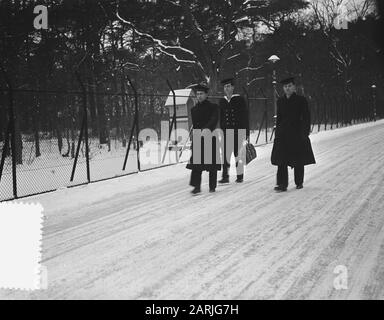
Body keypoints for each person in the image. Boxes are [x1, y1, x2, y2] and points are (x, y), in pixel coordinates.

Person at [271, 76, 316, 192]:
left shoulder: (301, 100)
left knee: (298, 159)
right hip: (283, 135)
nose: (287, 88)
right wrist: (277, 133)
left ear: (294, 87)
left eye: (289, 86)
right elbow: (279, 118)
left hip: (297, 133)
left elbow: (306, 117)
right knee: (281, 160)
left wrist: (304, 133)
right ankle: (282, 184)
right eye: (285, 87)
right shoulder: (280, 101)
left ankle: (299, 181)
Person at [186, 82, 221, 194]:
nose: (199, 96)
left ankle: (212, 186)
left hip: (210, 136)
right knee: (197, 164)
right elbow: (195, 125)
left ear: (206, 95)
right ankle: (196, 186)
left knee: (212, 164)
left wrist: (205, 130)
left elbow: (213, 120)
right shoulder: (194, 109)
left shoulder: (213, 107)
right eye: (197, 94)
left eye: (201, 93)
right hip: (197, 138)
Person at [218, 77, 249, 184]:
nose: (226, 88)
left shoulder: (239, 99)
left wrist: (246, 132)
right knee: (225, 155)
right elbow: (221, 118)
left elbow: (245, 116)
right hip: (226, 132)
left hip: (238, 131)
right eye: (225, 87)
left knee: (238, 155)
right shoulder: (222, 101)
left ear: (233, 87)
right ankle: (225, 176)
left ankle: (240, 176)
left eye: (228, 86)